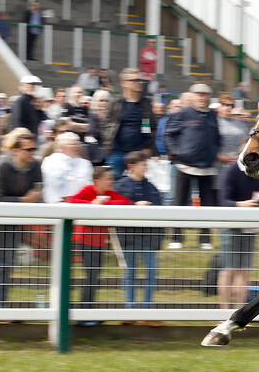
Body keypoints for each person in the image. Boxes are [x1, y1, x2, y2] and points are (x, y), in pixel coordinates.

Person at [67, 167, 131, 320]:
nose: (112, 181)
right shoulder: (88, 189)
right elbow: (72, 200)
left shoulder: (109, 194)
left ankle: (87, 309)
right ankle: (85, 310)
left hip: (100, 242)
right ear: (97, 181)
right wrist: (91, 203)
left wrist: (103, 204)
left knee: (94, 276)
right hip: (85, 240)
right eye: (108, 179)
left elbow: (125, 202)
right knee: (92, 276)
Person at [164, 83, 221, 249]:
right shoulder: (183, 113)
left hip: (208, 167)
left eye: (205, 95)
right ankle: (176, 238)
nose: (202, 97)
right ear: (193, 96)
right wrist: (174, 151)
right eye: (199, 94)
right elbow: (168, 134)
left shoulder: (213, 115)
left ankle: (205, 239)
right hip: (185, 165)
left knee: (207, 205)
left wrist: (214, 152)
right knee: (179, 203)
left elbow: (217, 137)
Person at [217, 157, 259, 309]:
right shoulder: (231, 171)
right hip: (231, 226)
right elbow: (223, 201)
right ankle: (223, 312)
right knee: (228, 270)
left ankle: (238, 313)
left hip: (251, 227)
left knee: (244, 271)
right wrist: (242, 205)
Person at [0, 129, 43, 308]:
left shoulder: (35, 165)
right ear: (16, 151)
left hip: (13, 221)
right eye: (29, 149)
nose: (33, 153)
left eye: (34, 149)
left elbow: (38, 191)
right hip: (0, 218)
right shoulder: (1, 166)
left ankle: (0, 308)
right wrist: (24, 200)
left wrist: (30, 199)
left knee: (6, 265)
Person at [114, 151, 164, 315]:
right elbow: (116, 207)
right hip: (129, 238)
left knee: (151, 273)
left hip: (149, 239)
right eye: (143, 164)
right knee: (130, 273)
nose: (146, 167)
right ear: (131, 166)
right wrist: (135, 206)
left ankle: (147, 310)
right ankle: (130, 309)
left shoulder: (151, 187)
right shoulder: (120, 186)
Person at [102, 69, 157, 178]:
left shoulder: (146, 104)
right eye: (135, 80)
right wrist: (109, 146)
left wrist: (148, 146)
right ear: (123, 83)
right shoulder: (115, 103)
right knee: (112, 185)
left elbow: (150, 127)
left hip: (139, 153)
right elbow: (106, 126)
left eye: (140, 80)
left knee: (138, 187)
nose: (139, 83)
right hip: (117, 153)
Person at [41, 132, 93, 203]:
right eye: (72, 144)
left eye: (78, 144)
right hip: (55, 203)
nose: (76, 146)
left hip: (79, 204)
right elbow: (47, 184)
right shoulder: (50, 161)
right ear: (62, 146)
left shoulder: (85, 164)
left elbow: (89, 186)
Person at [216, 95, 250, 177]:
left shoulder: (240, 123)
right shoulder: (214, 122)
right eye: (225, 104)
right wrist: (221, 157)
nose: (228, 107)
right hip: (218, 165)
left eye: (231, 105)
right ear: (220, 106)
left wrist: (240, 155)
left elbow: (247, 141)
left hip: (237, 164)